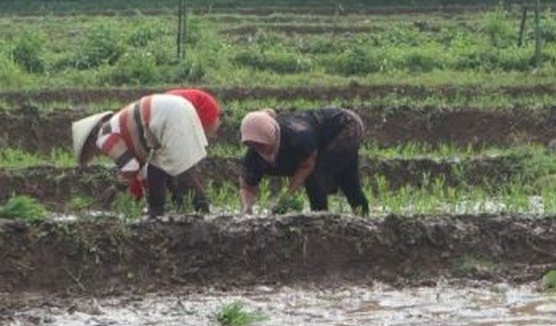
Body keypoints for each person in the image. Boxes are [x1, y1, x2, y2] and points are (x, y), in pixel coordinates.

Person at [71, 92, 215, 218]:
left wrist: (115, 189)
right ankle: (165, 211)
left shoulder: (103, 137)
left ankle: (202, 209)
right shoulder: (114, 127)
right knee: (159, 170)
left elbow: (130, 167)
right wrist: (148, 200)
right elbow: (143, 172)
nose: (94, 156)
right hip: (179, 108)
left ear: (89, 143)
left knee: (180, 171)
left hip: (168, 116)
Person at [239, 107, 370, 215]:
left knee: (316, 176)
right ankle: (363, 217)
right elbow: (247, 185)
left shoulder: (298, 137)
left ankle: (320, 218)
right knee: (348, 180)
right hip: (320, 140)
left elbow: (307, 166)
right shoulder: (253, 155)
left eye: (262, 144)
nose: (259, 148)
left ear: (271, 134)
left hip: (345, 125)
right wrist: (247, 208)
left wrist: (284, 198)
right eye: (254, 145)